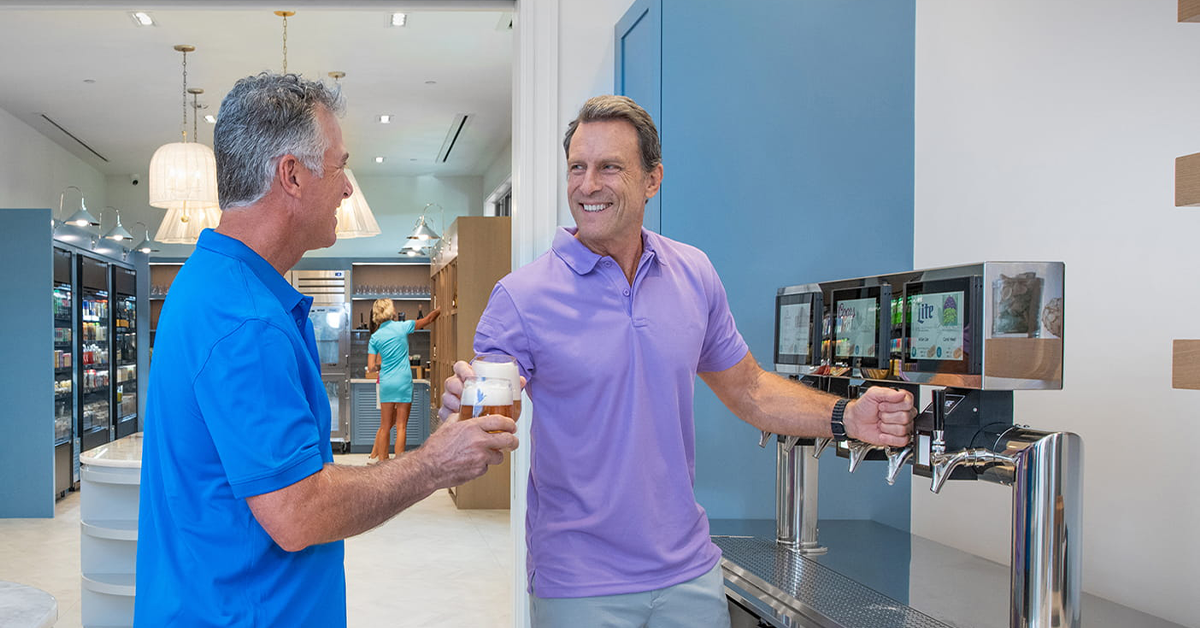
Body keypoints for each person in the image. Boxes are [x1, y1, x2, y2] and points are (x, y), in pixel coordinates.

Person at [439, 95, 916, 628]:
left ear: (652, 179)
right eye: (577, 167)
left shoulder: (694, 272)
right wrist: (463, 409)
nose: (587, 185)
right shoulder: (521, 297)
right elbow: (485, 412)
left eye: (610, 167)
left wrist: (847, 416)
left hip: (689, 575)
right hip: (579, 584)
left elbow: (750, 389)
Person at [134, 73, 518, 627]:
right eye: (339, 166)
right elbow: (299, 512)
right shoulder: (246, 323)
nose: (346, 188)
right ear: (291, 174)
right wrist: (433, 464)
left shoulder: (212, 286)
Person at [367, 299, 441, 462]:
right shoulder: (403, 327)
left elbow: (371, 366)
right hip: (403, 382)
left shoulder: (375, 337)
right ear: (390, 311)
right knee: (401, 426)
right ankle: (398, 464)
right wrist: (439, 310)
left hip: (386, 382)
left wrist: (383, 365)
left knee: (385, 426)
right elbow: (428, 320)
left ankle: (382, 464)